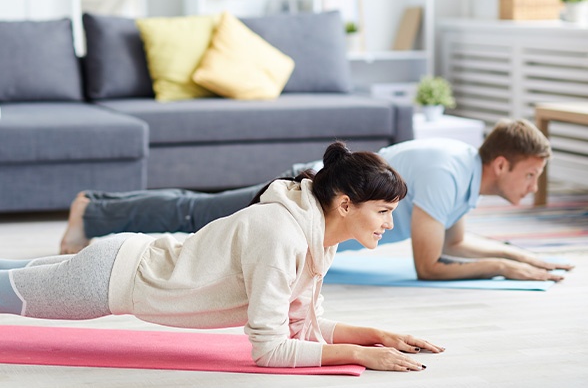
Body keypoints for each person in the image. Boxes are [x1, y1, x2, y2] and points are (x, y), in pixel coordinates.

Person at [0, 142, 444, 372]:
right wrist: (360, 354)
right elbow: (270, 349)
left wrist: (377, 333)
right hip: (111, 281)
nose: (390, 225)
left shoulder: (308, 228)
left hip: (127, 258)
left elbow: (300, 321)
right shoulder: (285, 236)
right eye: (383, 212)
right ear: (342, 202)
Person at [60, 119, 573, 281]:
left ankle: (98, 206)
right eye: (530, 175)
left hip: (313, 201)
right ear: (501, 164)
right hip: (300, 197)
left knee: (198, 212)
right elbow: (430, 263)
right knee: (197, 214)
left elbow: (457, 241)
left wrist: (522, 256)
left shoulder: (464, 176)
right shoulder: (447, 171)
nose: (532, 188)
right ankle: (94, 210)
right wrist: (503, 270)